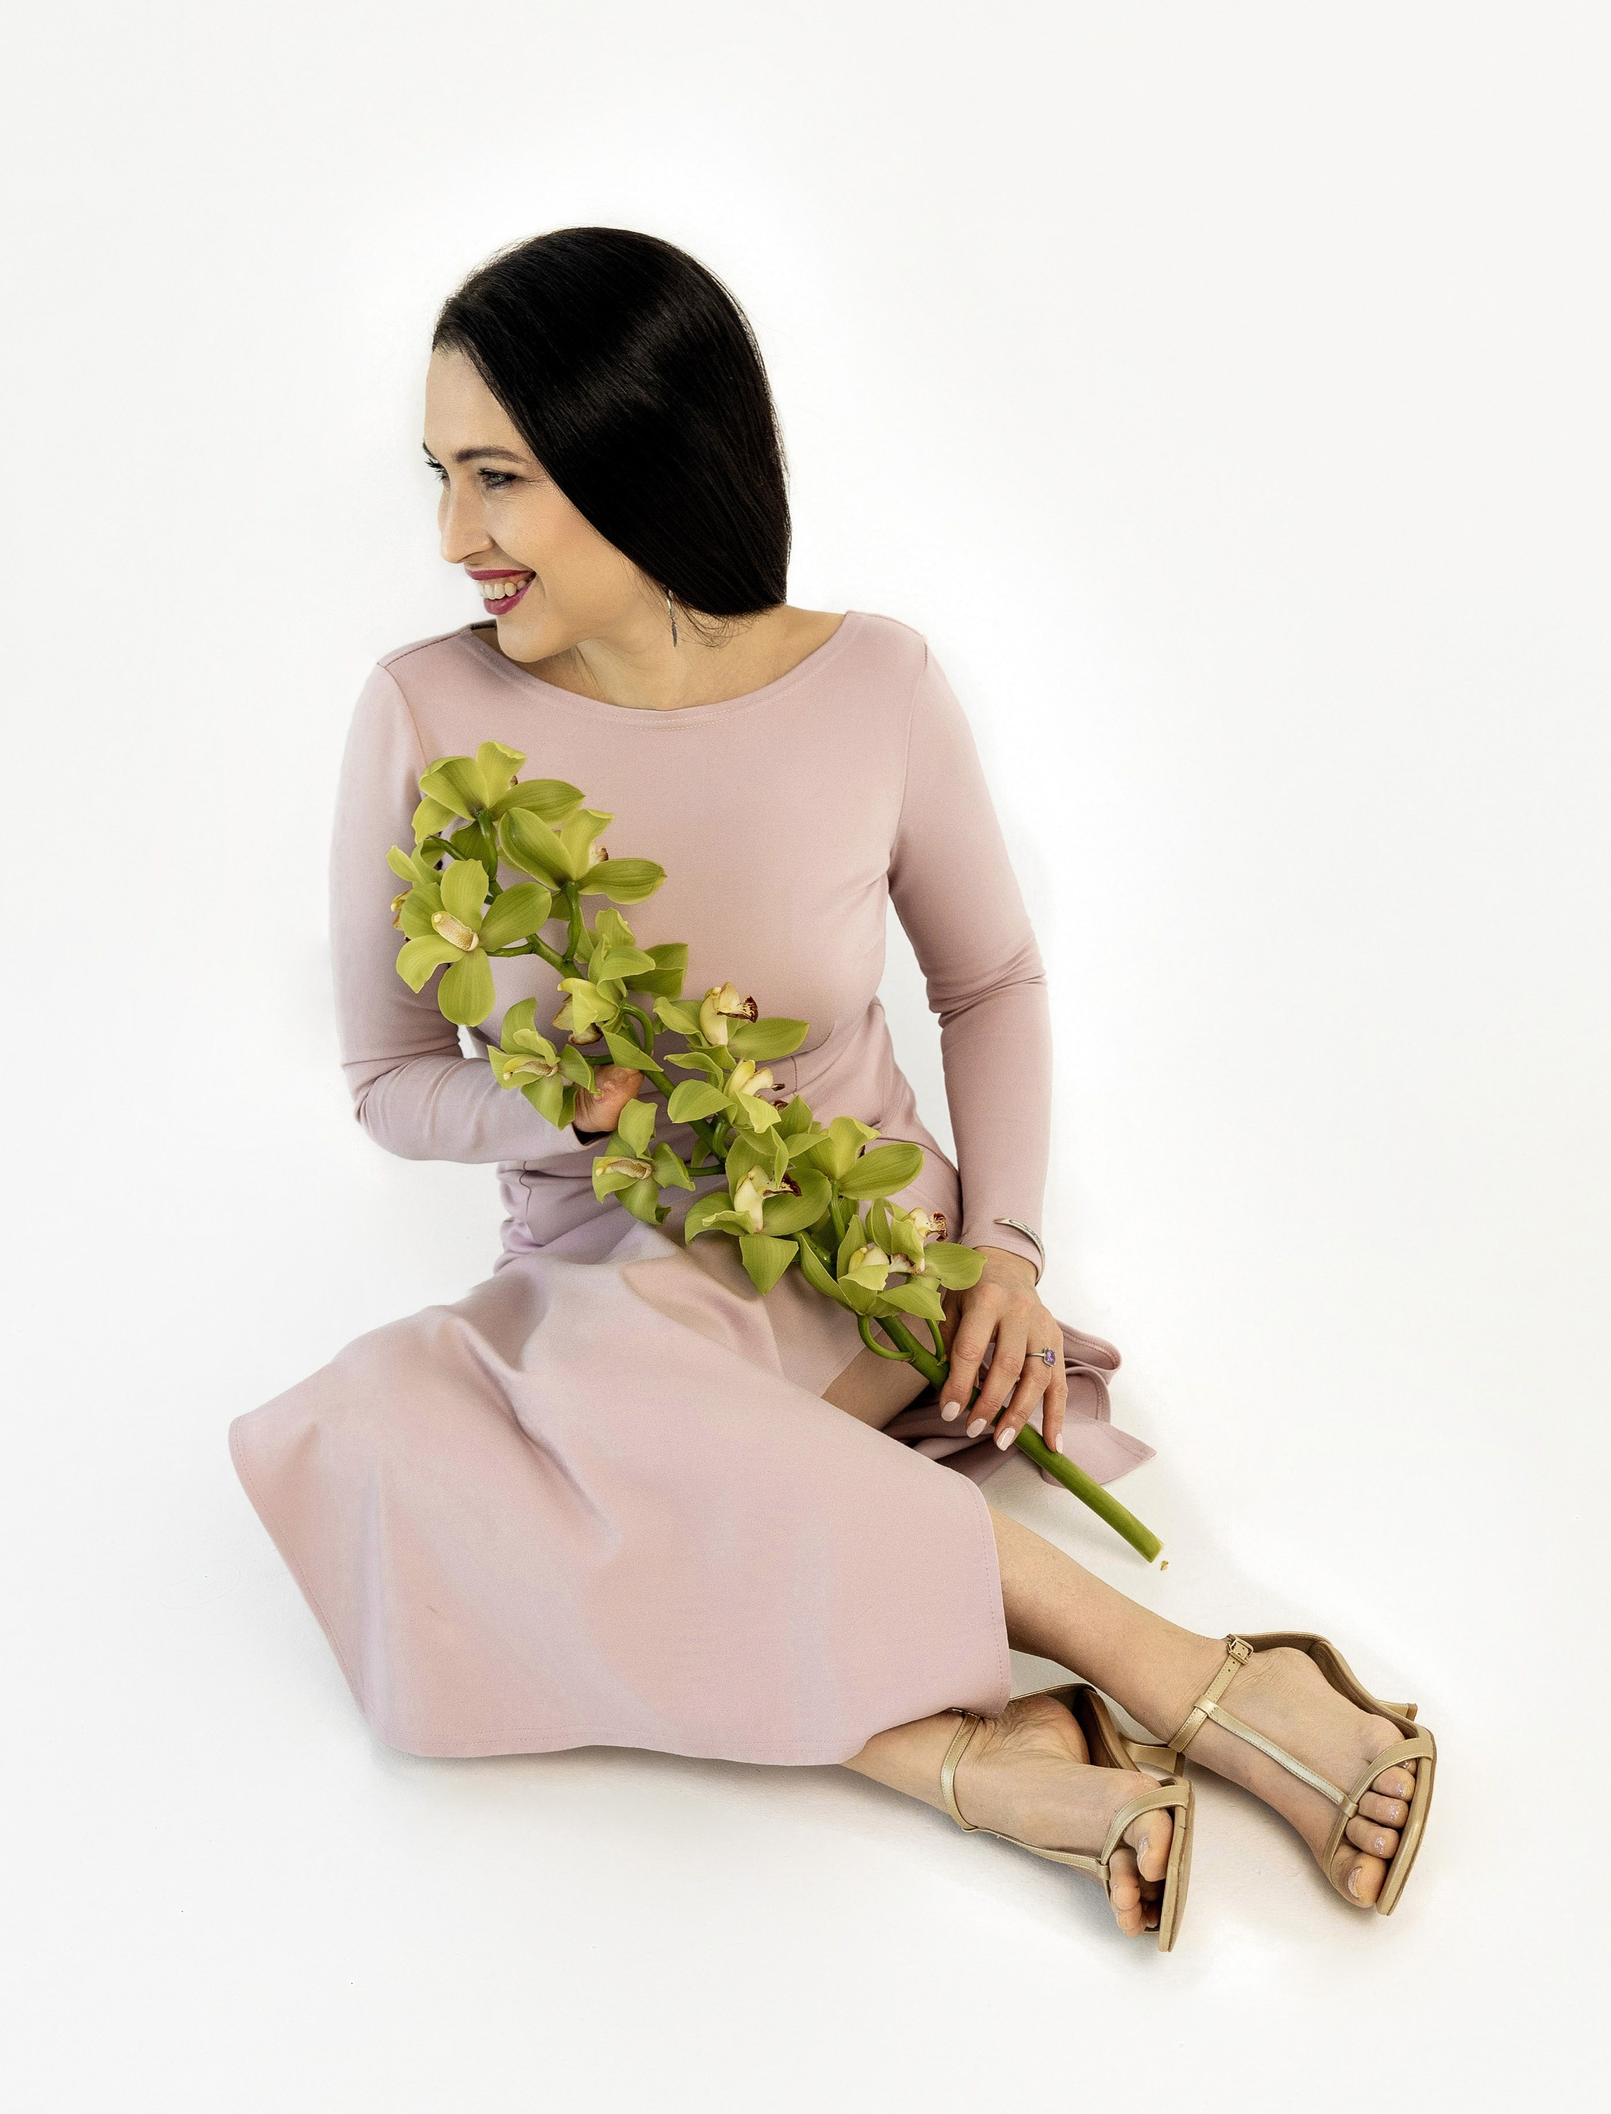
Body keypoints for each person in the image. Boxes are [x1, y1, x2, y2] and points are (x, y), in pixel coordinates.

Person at [229, 226, 1435, 1948]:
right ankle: (997, 1748)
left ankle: (1166, 1677)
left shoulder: (874, 682)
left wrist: (1004, 1252)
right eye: (440, 476)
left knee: (547, 1466)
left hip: (854, 1260)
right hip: (608, 1292)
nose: (452, 537)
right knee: (380, 1430)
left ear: (635, 451)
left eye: (497, 477)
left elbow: (991, 981)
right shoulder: (421, 713)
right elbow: (389, 1078)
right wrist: (561, 1113)